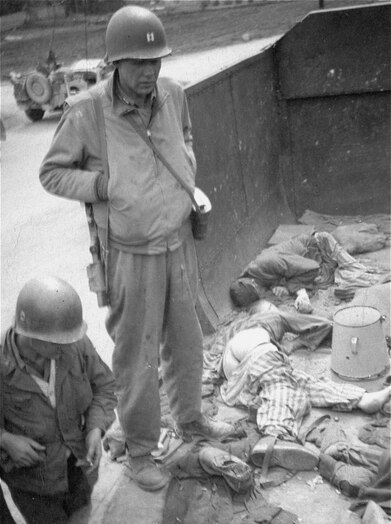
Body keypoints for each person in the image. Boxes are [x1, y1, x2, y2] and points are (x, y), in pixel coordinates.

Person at [39, 6, 234, 492]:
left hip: (178, 242)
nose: (150, 72)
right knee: (138, 358)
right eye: (139, 63)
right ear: (115, 63)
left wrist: (186, 170)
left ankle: (191, 423)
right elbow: (51, 173)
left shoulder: (173, 94)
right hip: (129, 254)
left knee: (187, 343)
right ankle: (143, 451)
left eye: (156, 61)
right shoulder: (87, 112)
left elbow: (184, 138)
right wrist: (105, 184)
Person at [0, 277, 117, 524]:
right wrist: (5, 439)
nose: (65, 348)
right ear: (29, 334)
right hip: (34, 485)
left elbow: (105, 386)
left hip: (79, 467)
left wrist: (95, 429)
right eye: (56, 342)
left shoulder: (72, 343)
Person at [218, 304, 391, 469]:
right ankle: (274, 435)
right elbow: (324, 324)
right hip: (254, 349)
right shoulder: (272, 316)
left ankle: (362, 399)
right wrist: (294, 344)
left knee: (302, 383)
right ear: (268, 308)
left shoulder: (237, 328)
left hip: (235, 373)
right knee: (281, 385)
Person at [229, 231, 387, 313]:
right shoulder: (256, 275)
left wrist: (298, 292)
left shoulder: (267, 262)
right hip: (314, 259)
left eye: (259, 292)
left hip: (322, 247)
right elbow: (280, 276)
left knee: (358, 278)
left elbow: (311, 267)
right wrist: (279, 286)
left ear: (253, 284)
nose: (263, 293)